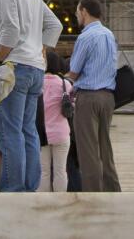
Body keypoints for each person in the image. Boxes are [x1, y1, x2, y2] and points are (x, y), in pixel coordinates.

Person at [0, 0, 62, 192]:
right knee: (28, 130)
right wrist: (42, 49)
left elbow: (11, 29)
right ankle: (29, 187)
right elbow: (55, 26)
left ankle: (13, 189)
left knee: (8, 131)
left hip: (12, 67)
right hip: (34, 70)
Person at [67, 0, 121, 192]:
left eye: (77, 13)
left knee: (88, 151)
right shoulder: (109, 34)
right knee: (105, 148)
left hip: (88, 96)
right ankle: (113, 191)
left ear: (84, 12)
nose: (77, 17)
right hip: (107, 97)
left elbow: (74, 70)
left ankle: (93, 196)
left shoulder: (86, 36)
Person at [39, 51, 73, 192]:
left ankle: (43, 202)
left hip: (42, 134)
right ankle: (60, 202)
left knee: (44, 172)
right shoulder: (66, 85)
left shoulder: (37, 83)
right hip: (61, 133)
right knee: (60, 171)